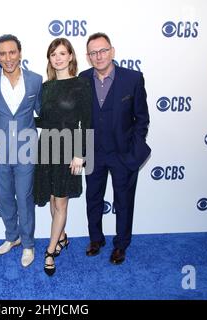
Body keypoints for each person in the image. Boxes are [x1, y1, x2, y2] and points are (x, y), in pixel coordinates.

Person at [80, 32, 151, 264]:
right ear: (88, 57)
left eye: (102, 50)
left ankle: (121, 244)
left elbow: (142, 119)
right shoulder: (82, 80)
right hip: (93, 153)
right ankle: (96, 239)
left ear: (112, 51)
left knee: (124, 201)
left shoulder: (132, 79)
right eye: (93, 52)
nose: (98, 56)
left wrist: (134, 152)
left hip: (123, 154)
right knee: (93, 198)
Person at [33, 38, 92, 276]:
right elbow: (46, 120)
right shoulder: (46, 87)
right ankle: (62, 237)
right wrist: (22, 119)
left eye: (61, 53)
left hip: (69, 148)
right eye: (53, 54)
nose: (57, 58)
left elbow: (86, 122)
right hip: (46, 145)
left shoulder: (81, 85)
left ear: (70, 57)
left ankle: (50, 250)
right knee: (51, 198)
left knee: (61, 201)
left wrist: (80, 154)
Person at [0, 34, 42, 267]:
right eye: (2, 53)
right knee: (5, 196)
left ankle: (28, 244)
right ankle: (12, 236)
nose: (8, 58)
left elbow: (44, 114)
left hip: (27, 150)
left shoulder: (36, 81)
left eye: (12, 52)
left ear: (20, 53)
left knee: (25, 197)